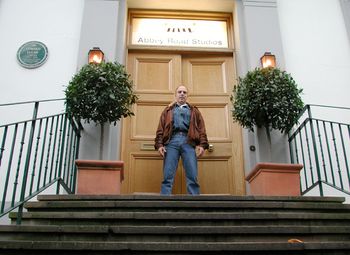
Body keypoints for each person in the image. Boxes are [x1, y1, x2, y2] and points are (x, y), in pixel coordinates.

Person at [154, 85, 209, 195]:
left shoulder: (194, 111)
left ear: (187, 95)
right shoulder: (168, 110)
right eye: (179, 92)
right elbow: (161, 128)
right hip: (171, 142)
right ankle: (164, 202)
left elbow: (201, 129)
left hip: (188, 142)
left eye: (184, 92)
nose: (182, 94)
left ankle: (194, 202)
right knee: (167, 175)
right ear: (175, 95)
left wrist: (202, 145)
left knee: (192, 174)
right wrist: (160, 145)